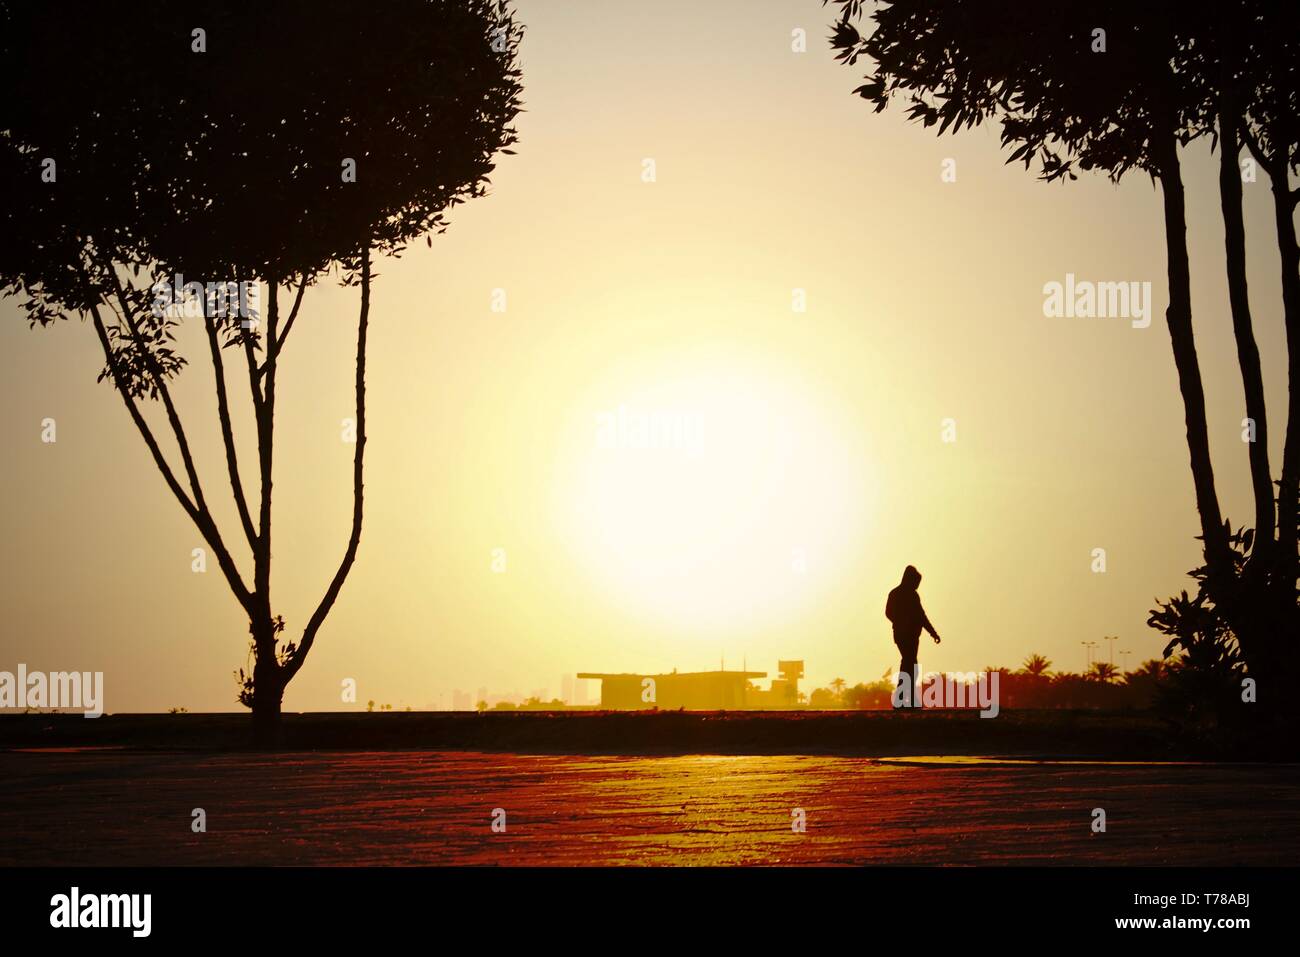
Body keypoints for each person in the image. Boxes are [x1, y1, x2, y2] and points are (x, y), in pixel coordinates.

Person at [885, 565, 941, 706]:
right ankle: (903, 699)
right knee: (909, 663)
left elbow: (921, 616)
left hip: (910, 635)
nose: (917, 586)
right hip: (904, 635)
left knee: (909, 664)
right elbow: (889, 613)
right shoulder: (900, 594)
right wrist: (901, 622)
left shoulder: (907, 594)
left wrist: (932, 632)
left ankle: (904, 699)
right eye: (916, 583)